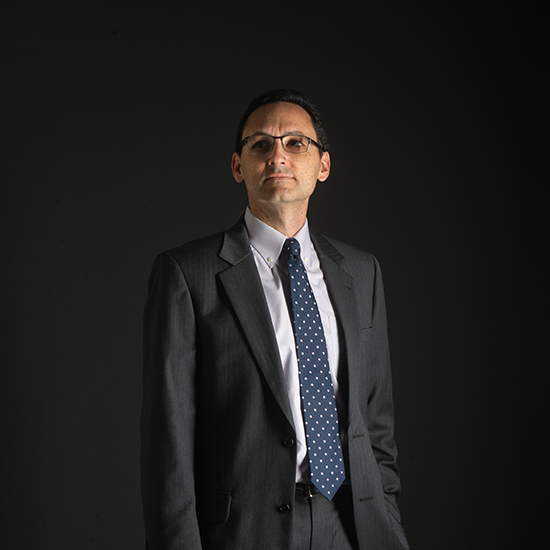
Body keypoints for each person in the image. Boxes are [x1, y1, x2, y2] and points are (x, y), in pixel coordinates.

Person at [140, 89, 409, 550]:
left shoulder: (361, 273)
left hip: (353, 526)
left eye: (295, 143)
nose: (277, 155)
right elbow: (168, 442)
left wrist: (388, 529)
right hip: (244, 530)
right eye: (260, 143)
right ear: (237, 166)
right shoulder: (187, 274)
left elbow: (376, 425)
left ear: (322, 165)